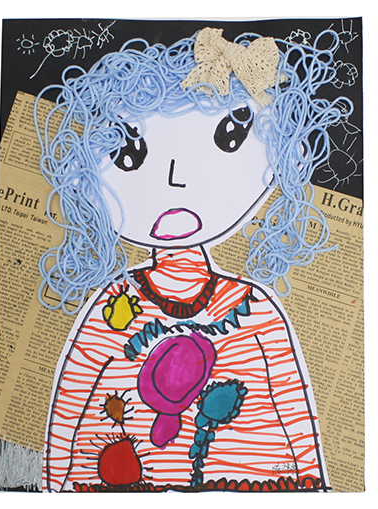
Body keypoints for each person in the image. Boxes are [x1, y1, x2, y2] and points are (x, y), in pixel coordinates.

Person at [36, 26, 350, 492]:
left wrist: (314, 487)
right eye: (129, 154)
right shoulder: (114, 306)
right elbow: (71, 399)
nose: (174, 179)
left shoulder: (255, 308)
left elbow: (294, 408)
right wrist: (53, 489)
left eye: (226, 139)